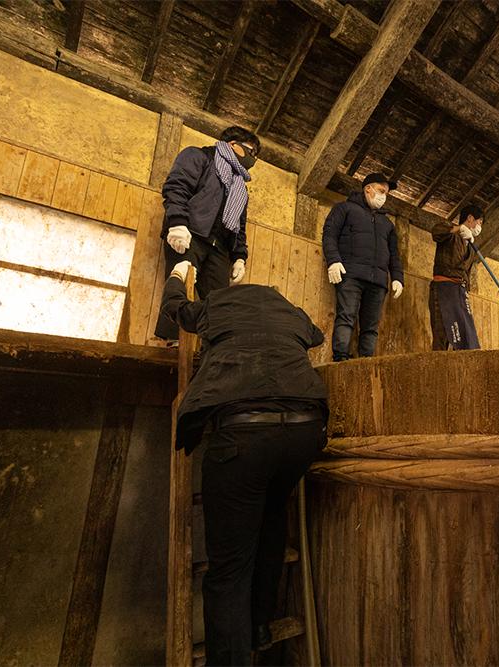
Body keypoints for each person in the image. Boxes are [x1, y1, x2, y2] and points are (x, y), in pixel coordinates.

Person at [161, 260, 329, 665]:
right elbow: (317, 335)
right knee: (271, 521)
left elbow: (175, 308)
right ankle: (260, 628)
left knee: (229, 568)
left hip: (243, 437)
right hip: (306, 432)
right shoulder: (289, 310)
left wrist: (179, 273)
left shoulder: (216, 304)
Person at [153, 126, 261, 342]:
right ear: (233, 145)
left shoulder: (240, 185)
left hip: (219, 247)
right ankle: (172, 343)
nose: (253, 158)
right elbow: (177, 187)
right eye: (251, 152)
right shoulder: (198, 156)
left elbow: (240, 223)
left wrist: (240, 256)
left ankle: (214, 349)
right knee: (180, 285)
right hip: (190, 234)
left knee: (221, 302)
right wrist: (178, 223)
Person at [321, 172, 405, 361]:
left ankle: (365, 362)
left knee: (371, 328)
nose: (384, 196)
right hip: (351, 274)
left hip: (378, 281)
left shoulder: (387, 224)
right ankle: (340, 359)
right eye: (381, 191)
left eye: (386, 193)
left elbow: (394, 254)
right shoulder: (344, 208)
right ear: (368, 188)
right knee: (346, 317)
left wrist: (398, 277)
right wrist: (333, 260)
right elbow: (329, 234)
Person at [429, 205, 484, 350]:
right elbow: (436, 232)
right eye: (480, 222)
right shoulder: (451, 231)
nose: (479, 226)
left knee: (465, 335)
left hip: (459, 292)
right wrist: (457, 229)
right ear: (470, 218)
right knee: (442, 335)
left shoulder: (471, 246)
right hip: (443, 289)